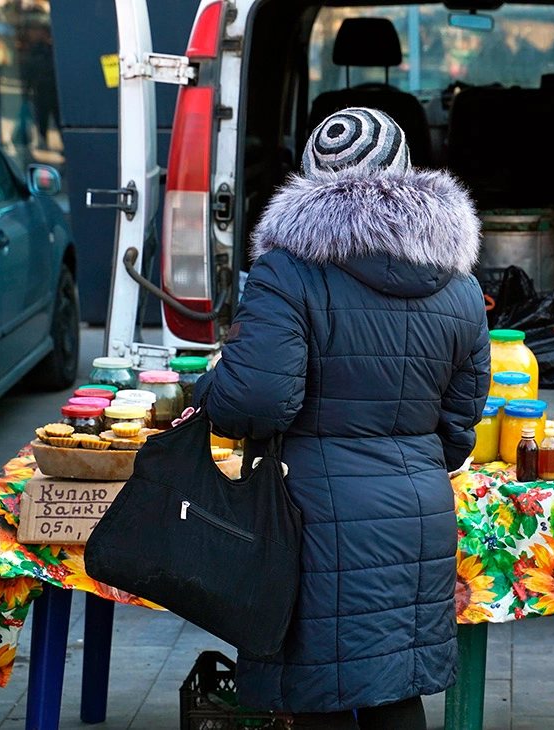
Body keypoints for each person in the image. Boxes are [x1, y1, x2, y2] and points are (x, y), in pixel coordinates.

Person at [193, 108, 490, 729]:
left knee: (315, 690)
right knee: (392, 687)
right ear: (407, 175)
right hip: (416, 514)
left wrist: (209, 386)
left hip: (309, 516)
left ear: (309, 180)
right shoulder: (460, 287)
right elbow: (460, 426)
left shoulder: (286, 273)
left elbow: (255, 401)